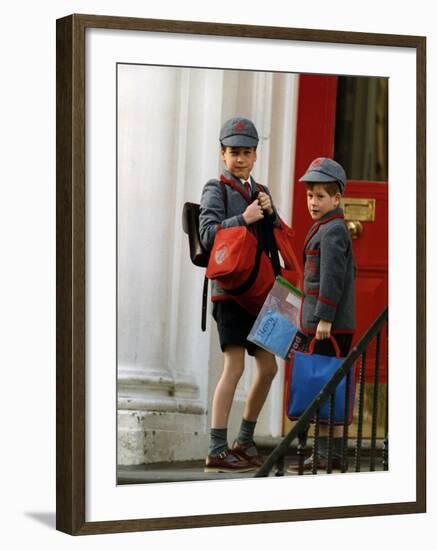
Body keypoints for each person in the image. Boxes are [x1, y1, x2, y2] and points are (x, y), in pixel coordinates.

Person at [199, 117, 280, 473]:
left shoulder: (261, 190)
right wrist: (244, 218)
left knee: (269, 366)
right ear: (222, 154)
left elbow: (275, 241)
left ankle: (244, 441)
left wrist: (272, 215)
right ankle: (217, 448)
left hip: (262, 293)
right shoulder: (215, 188)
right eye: (234, 152)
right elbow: (207, 234)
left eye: (246, 152)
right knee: (235, 364)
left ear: (256, 155)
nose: (240, 159)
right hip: (230, 293)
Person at [290, 157, 356, 471]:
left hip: (328, 326)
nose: (313, 202)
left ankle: (327, 454)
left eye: (320, 196)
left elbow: (331, 277)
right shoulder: (324, 227)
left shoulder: (333, 231)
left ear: (337, 198)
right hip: (321, 324)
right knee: (328, 385)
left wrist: (325, 317)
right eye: (309, 195)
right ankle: (331, 453)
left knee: (327, 387)